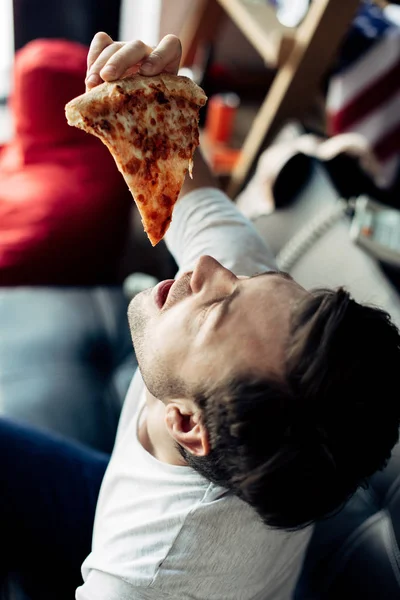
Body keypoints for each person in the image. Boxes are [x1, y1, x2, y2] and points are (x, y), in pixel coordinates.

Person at [1, 32, 400, 600]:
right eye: (250, 282)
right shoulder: (261, 327)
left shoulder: (143, 581)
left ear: (187, 424)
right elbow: (188, 190)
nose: (209, 267)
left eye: (216, 308)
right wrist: (154, 99)